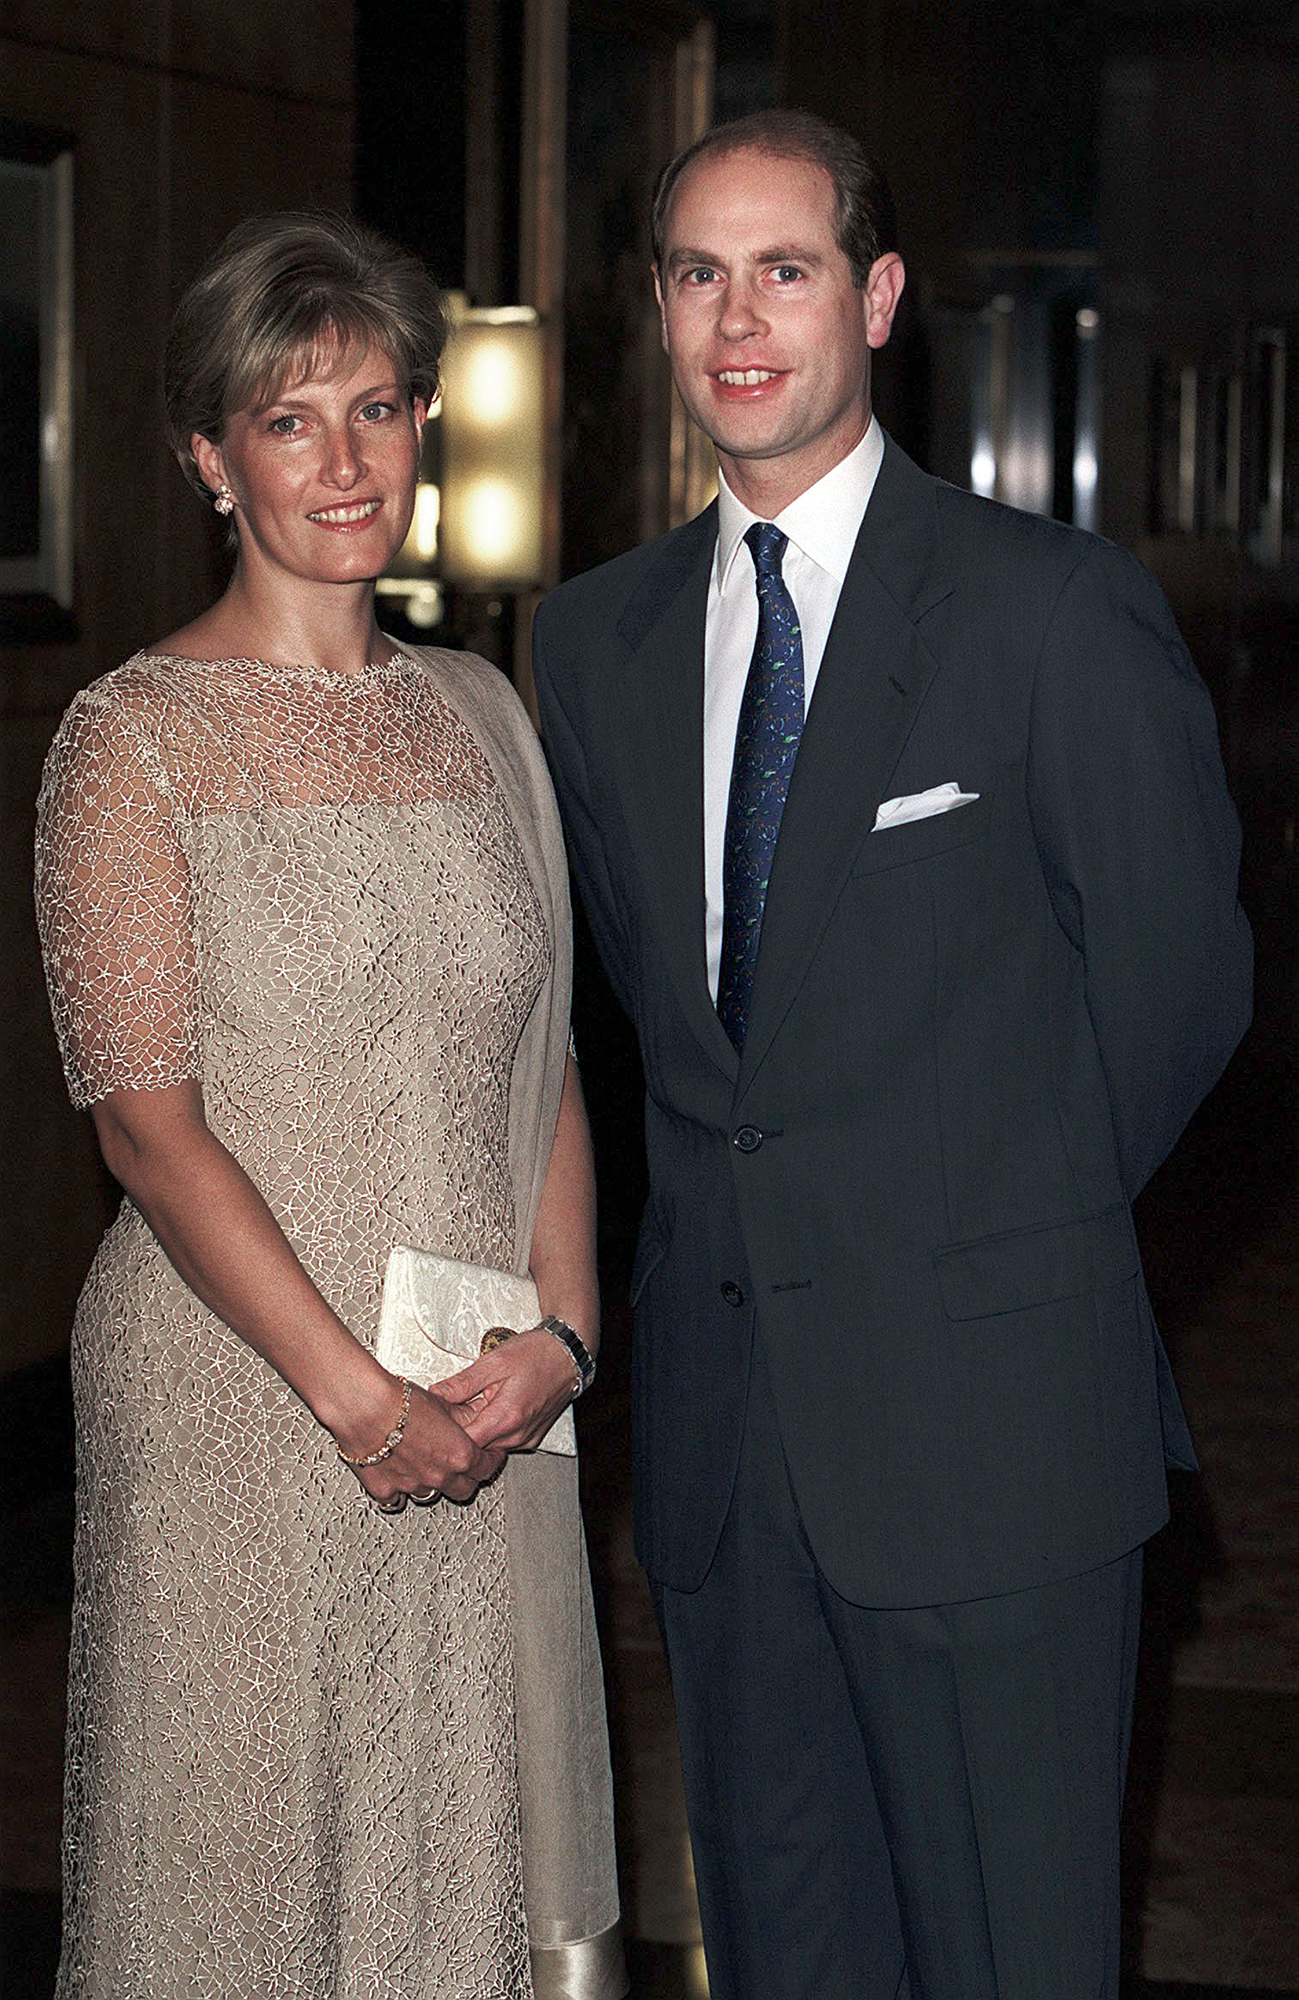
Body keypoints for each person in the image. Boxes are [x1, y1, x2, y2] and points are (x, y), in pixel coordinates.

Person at [533, 109, 1252, 2000]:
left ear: (880, 295)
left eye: (786, 267)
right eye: (700, 273)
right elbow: (658, 1027)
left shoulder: (1050, 611)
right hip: (722, 1464)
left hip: (991, 1440)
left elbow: (1180, 990)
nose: (740, 318)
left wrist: (976, 1244)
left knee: (1013, 1958)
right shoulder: (592, 649)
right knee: (786, 1956)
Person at [35, 212, 626, 2000]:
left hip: (473, 1394)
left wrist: (567, 1339)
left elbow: (546, 1065)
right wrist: (359, 1401)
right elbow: (149, 1128)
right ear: (211, 460)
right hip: (245, 1402)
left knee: (449, 1877)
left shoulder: (476, 717)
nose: (347, 461)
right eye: (291, 422)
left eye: (378, 408)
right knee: (239, 1887)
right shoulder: (127, 743)